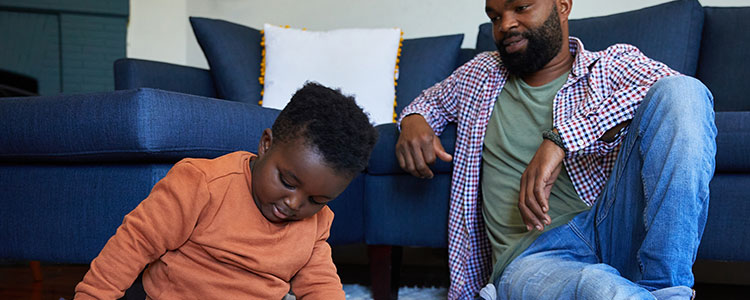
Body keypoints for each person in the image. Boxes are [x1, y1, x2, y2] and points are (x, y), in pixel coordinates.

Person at [395, 0, 716, 299]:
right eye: (494, 17)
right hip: (532, 257)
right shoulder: (481, 73)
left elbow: (678, 93)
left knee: (684, 91)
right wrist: (414, 118)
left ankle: (665, 287)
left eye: (520, 7)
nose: (505, 24)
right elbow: (429, 102)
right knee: (598, 287)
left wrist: (561, 139)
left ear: (562, 5)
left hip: (610, 227)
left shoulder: (609, 66)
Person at [74, 82, 378, 300]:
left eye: (317, 200)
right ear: (266, 144)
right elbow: (134, 243)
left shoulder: (315, 224)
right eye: (287, 181)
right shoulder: (202, 183)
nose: (295, 203)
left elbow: (320, 285)